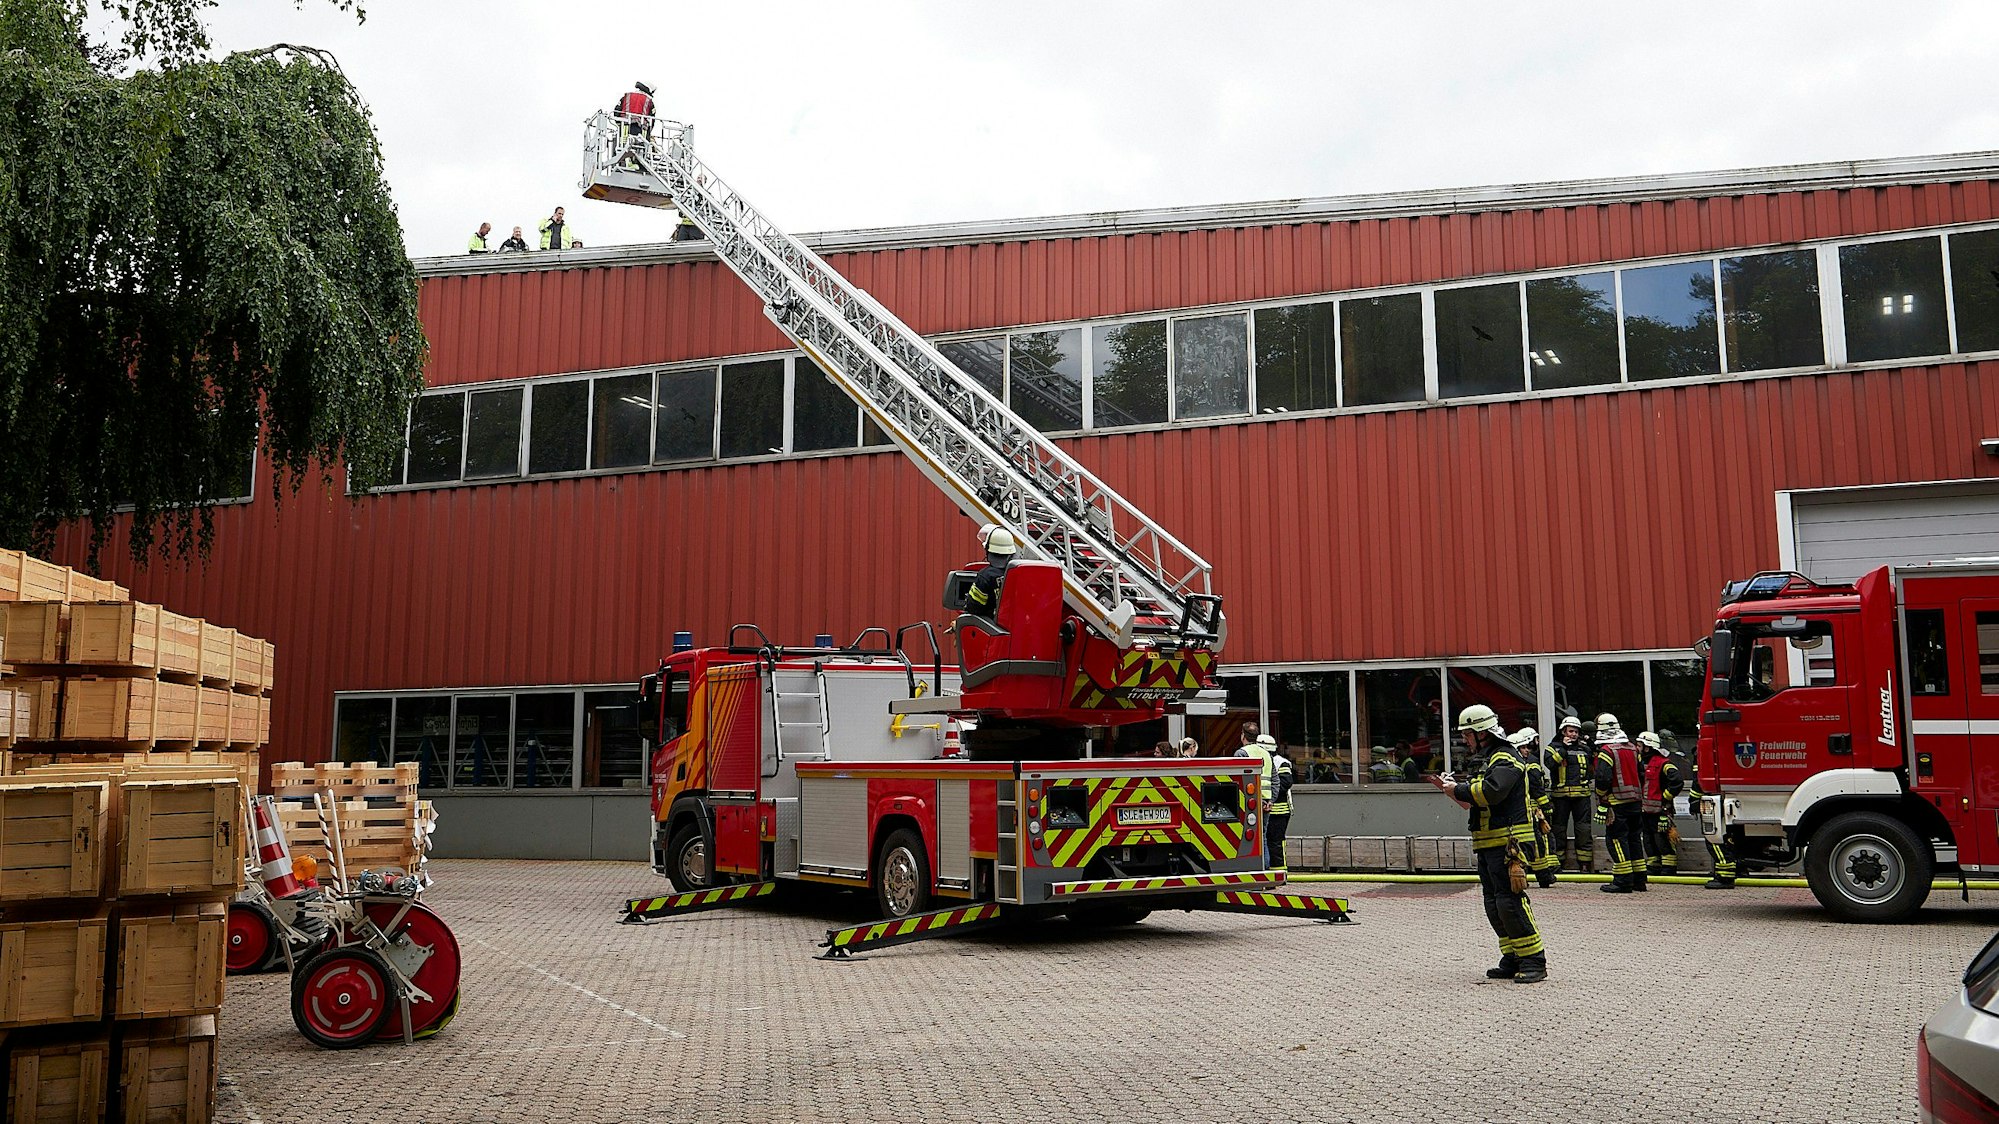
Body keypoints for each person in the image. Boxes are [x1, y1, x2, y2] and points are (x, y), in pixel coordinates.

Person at [1435, 704, 1546, 984]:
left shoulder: (1506, 758)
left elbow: (1492, 792)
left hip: (1509, 844)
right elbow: (1474, 799)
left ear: (1482, 732)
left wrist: (1457, 788)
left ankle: (1534, 960)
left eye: (1468, 734)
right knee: (1494, 903)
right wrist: (1452, 791)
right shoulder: (1489, 760)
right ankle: (1513, 956)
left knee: (1510, 902)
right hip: (1488, 843)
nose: (1465, 740)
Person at [1593, 714, 1646, 893]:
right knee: (1634, 840)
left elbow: (1602, 778)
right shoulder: (1633, 749)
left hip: (1616, 804)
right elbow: (1642, 775)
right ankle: (1639, 880)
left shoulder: (1607, 751)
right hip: (1635, 803)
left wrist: (1602, 796)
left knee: (1616, 840)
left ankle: (1623, 881)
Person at [1510, 727, 1559, 888]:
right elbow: (1536, 788)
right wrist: (1546, 806)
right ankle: (1541, 876)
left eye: (1527, 747)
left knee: (1536, 844)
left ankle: (1544, 876)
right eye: (1523, 747)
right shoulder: (1525, 765)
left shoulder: (1523, 764)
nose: (1527, 750)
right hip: (1525, 812)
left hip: (1528, 811)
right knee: (1530, 845)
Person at [1237, 732, 1293, 869]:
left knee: (1274, 842)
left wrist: (1267, 800)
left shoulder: (1280, 761)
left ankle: (1279, 870)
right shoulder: (1269, 759)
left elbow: (1285, 783)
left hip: (1278, 810)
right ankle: (1273, 871)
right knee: (1266, 841)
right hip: (1268, 806)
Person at [1547, 716, 1595, 873]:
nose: (1574, 734)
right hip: (1560, 797)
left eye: (1576, 732)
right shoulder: (1553, 747)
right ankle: (1558, 862)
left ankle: (1585, 864)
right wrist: (1563, 749)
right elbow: (1550, 764)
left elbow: (1594, 764)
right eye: (1571, 731)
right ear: (1563, 731)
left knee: (1583, 829)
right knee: (1558, 829)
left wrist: (1591, 743)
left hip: (1582, 796)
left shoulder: (1584, 748)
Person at [1638, 732, 1685, 878]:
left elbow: (1677, 782)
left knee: (1662, 839)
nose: (1637, 748)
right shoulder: (1639, 762)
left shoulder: (1663, 763)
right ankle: (1653, 866)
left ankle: (1669, 869)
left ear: (1648, 747)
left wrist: (1664, 799)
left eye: (1640, 745)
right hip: (1645, 811)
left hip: (1661, 811)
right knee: (1648, 839)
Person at [963, 526, 1016, 618]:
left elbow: (974, 608)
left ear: (988, 550)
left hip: (991, 627)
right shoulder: (1018, 573)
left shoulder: (985, 576)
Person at [614, 80, 656, 165]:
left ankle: (624, 162)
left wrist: (620, 124)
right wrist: (648, 134)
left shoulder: (626, 96)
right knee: (638, 148)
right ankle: (636, 163)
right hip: (640, 129)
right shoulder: (649, 101)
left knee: (622, 146)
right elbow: (652, 120)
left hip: (624, 127)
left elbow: (616, 112)